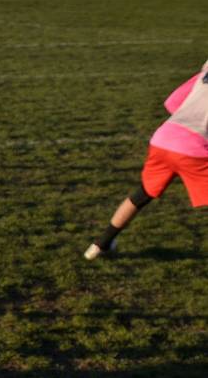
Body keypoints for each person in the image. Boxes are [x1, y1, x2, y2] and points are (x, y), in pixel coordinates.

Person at [85, 60, 208, 259]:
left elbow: (173, 102)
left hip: (163, 138)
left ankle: (100, 245)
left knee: (143, 194)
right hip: (194, 149)